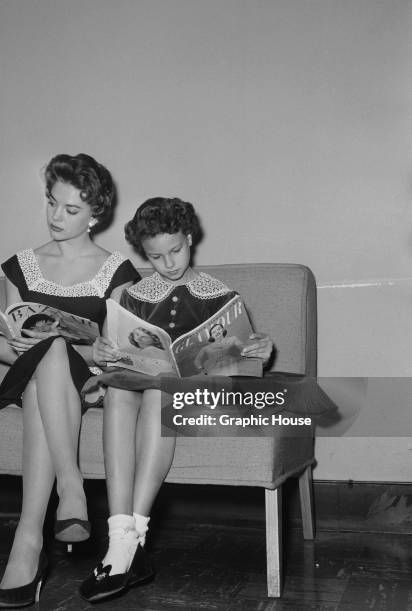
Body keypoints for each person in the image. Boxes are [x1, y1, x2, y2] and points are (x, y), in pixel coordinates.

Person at [0, 153, 140, 608]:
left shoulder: (117, 272)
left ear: (96, 215)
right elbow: (12, 349)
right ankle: (70, 488)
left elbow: (113, 352)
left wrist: (97, 348)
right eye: (51, 203)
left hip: (88, 380)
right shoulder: (22, 265)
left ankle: (27, 545)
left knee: (51, 349)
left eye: (71, 210)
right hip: (34, 375)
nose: (55, 216)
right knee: (43, 351)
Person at [79, 197, 273, 603]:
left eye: (175, 251)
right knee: (119, 389)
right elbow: (113, 354)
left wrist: (258, 351)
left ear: (189, 238)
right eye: (155, 256)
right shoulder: (132, 295)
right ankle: (124, 539)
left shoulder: (219, 295)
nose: (167, 263)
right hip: (140, 386)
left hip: (194, 393)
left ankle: (125, 546)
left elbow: (239, 361)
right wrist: (104, 353)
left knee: (159, 393)